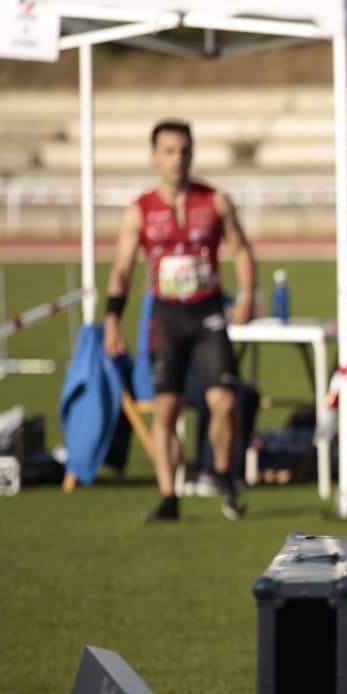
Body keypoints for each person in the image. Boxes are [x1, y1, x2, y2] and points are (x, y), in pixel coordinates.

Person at [103, 119, 255, 522]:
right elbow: (122, 269)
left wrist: (247, 297)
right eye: (169, 151)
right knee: (166, 409)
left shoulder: (215, 200)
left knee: (224, 401)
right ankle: (169, 498)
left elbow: (241, 248)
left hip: (207, 313)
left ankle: (221, 472)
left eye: (184, 151)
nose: (178, 159)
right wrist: (112, 320)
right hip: (167, 316)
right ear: (154, 157)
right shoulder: (140, 210)